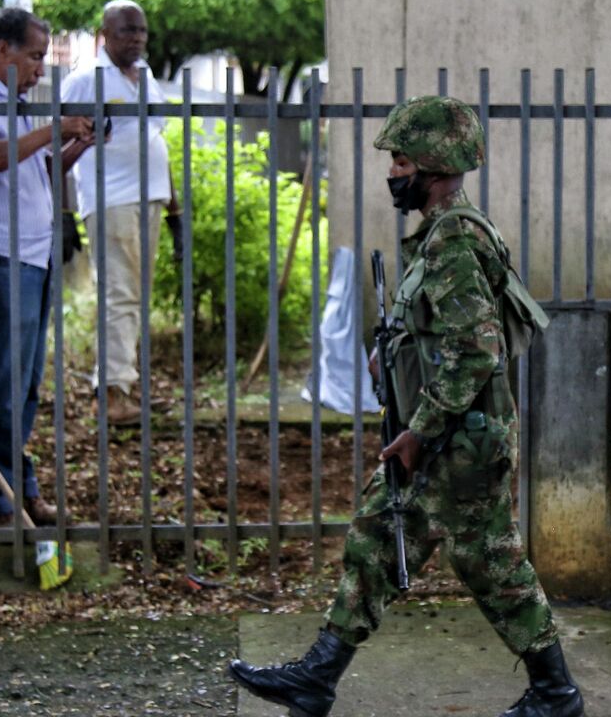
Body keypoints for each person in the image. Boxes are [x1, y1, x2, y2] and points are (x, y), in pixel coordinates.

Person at [227, 96, 585, 717]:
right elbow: (443, 334)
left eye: (400, 159)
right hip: (460, 431)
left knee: (481, 558)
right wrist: (390, 353)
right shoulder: (445, 231)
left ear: (433, 163)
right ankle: (320, 676)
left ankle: (556, 693)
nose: (392, 172)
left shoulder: (453, 239)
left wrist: (419, 431)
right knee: (393, 534)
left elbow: (476, 351)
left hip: (461, 438)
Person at [0, 8, 97, 524]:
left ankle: (16, 487)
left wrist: (75, 144)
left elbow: (39, 170)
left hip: (34, 255)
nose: (39, 69)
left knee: (24, 383)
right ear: (2, 50)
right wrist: (54, 127)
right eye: (33, 56)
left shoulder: (20, 106)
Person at [59, 0, 178, 424]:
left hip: (150, 197)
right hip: (112, 199)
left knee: (135, 295)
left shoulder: (144, 75)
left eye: (142, 30)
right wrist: (64, 214)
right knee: (119, 293)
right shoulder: (84, 80)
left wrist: (175, 209)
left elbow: (154, 140)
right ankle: (111, 392)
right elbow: (58, 152)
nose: (138, 39)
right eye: (128, 30)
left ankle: (123, 383)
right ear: (104, 34)